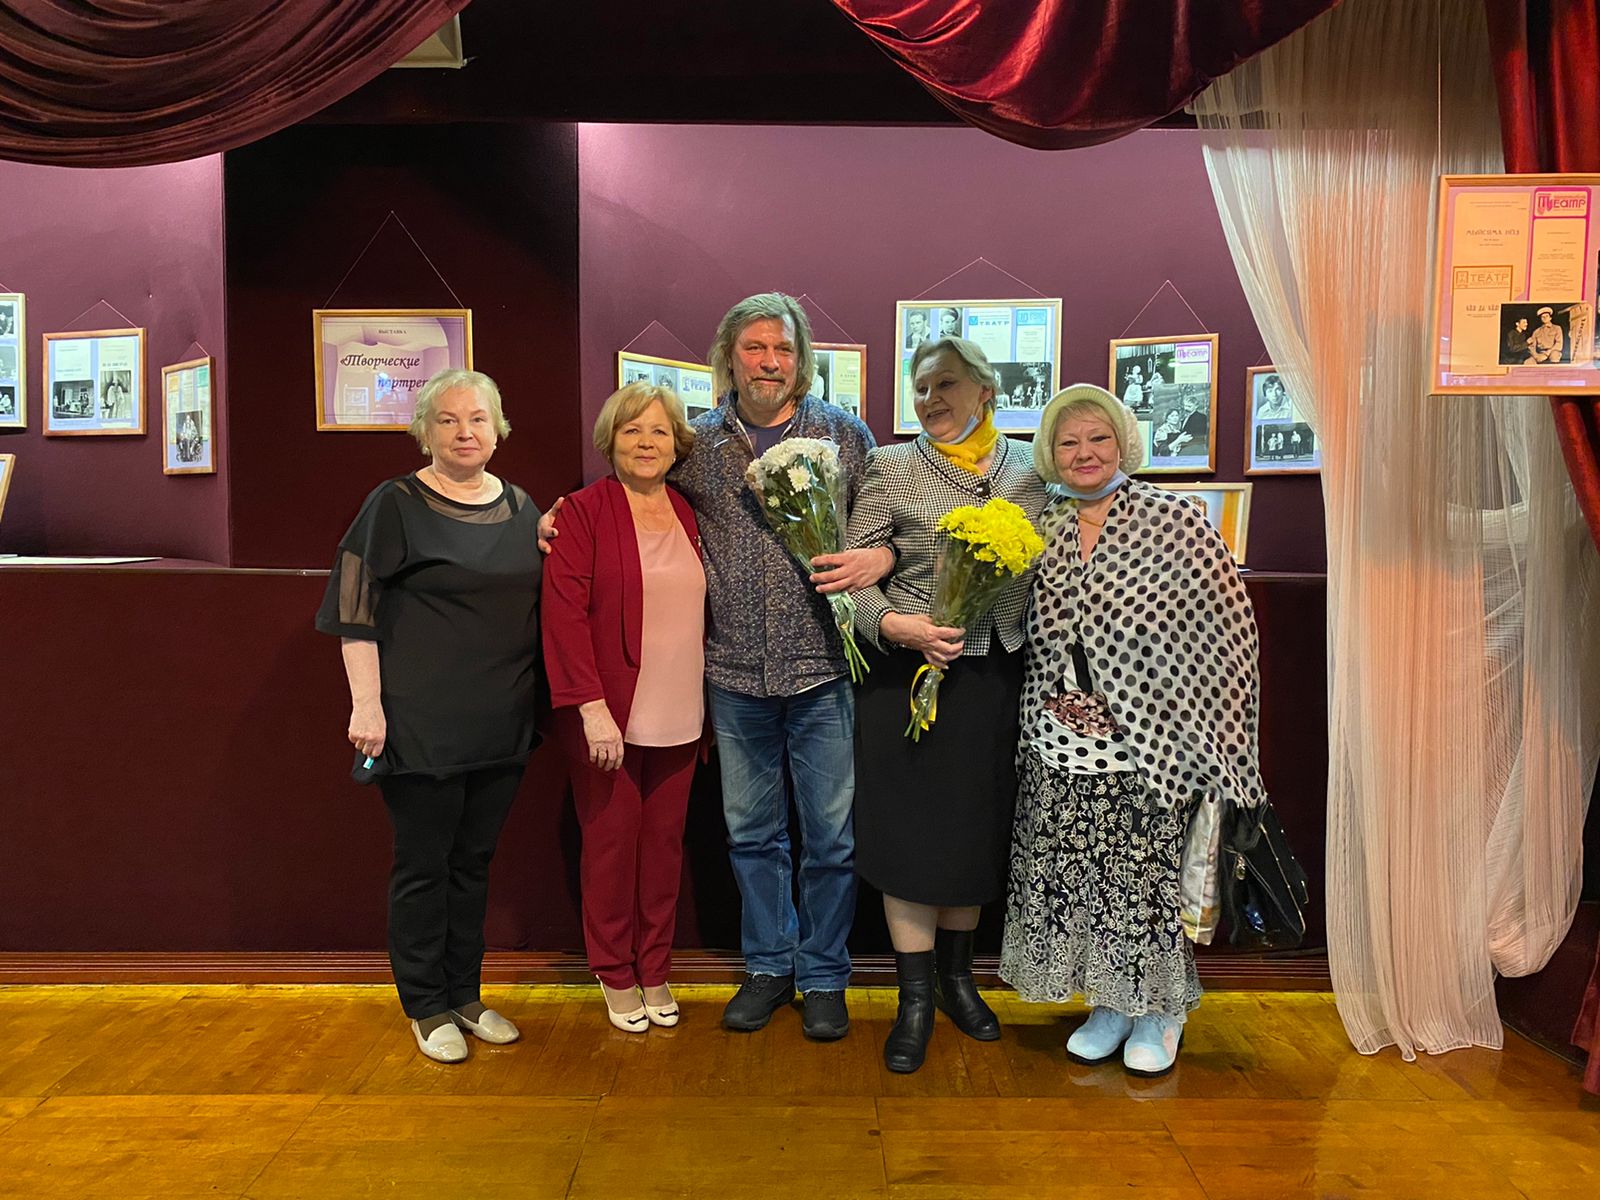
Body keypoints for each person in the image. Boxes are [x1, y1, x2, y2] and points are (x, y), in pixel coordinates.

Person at [541, 293, 885, 1041]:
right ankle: (769, 967)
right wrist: (557, 519)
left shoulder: (845, 434)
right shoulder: (698, 442)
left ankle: (824, 976)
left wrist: (882, 556)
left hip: (823, 668)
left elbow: (881, 528)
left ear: (802, 358)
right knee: (753, 836)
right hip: (731, 678)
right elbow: (634, 500)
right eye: (755, 347)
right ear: (729, 356)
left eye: (783, 349)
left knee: (830, 840)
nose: (769, 362)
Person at [1000, 383, 1268, 1077]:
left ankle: (1160, 1011)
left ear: (1124, 443)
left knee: (1143, 882)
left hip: (1152, 745)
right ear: (1050, 454)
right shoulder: (1043, 524)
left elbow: (1229, 633)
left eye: (1099, 438)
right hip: (1056, 738)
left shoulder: (1173, 520)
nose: (1084, 452)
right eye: (1068, 442)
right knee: (1078, 876)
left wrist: (1221, 741)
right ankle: (1110, 1004)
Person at [315, 368, 542, 1065]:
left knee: (473, 865)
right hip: (419, 724)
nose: (464, 432)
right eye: (447, 420)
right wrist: (367, 707)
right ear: (424, 431)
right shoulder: (394, 503)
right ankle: (424, 1004)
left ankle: (465, 995)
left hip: (503, 721)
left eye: (477, 419)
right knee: (424, 867)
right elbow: (354, 614)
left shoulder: (523, 508)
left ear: (498, 430)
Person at [844, 336, 1047, 1073]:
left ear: (985, 391)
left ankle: (960, 981)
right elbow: (847, 578)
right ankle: (915, 1000)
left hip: (994, 678)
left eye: (947, 384)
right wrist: (895, 626)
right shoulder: (890, 466)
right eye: (922, 387)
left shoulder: (1032, 469)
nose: (931, 399)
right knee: (910, 836)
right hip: (905, 680)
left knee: (974, 831)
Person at [542, 382, 705, 1034]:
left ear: (677, 444)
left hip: (683, 712)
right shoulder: (582, 512)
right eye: (632, 429)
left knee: (663, 850)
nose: (646, 442)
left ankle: (655, 967)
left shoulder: (688, 510)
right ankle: (613, 972)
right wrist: (590, 708)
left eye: (659, 431)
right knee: (611, 848)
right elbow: (563, 617)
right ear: (610, 440)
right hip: (607, 715)